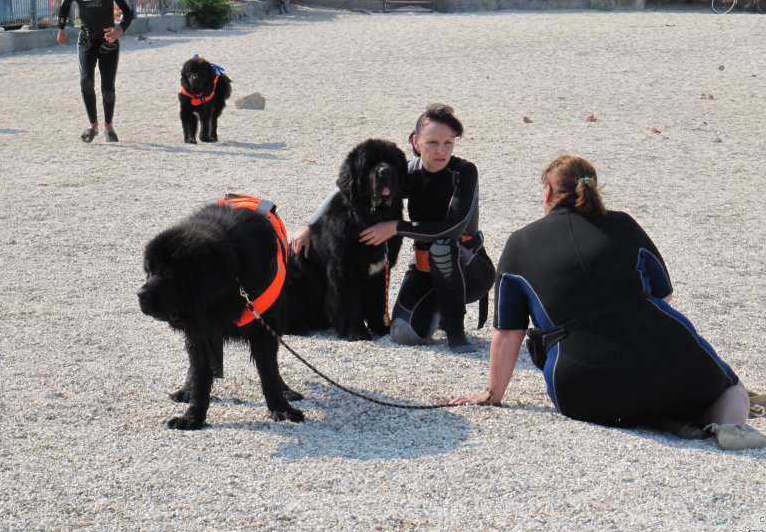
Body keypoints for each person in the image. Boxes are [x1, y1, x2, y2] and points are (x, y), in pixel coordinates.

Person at [450, 155, 766, 450]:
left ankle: (666, 419)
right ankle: (728, 426)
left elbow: (508, 333)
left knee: (633, 401)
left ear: (547, 193)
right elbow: (663, 295)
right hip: (664, 363)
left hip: (580, 391)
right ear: (593, 189)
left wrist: (493, 394)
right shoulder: (623, 224)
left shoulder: (519, 243)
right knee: (730, 388)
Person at [293, 104, 496, 353]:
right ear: (416, 142)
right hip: (425, 268)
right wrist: (309, 226)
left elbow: (451, 229)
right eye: (432, 142)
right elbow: (343, 187)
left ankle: (455, 330)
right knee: (403, 334)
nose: (441, 151)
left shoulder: (464, 172)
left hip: (469, 269)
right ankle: (436, 308)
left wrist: (396, 227)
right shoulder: (407, 172)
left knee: (443, 248)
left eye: (448, 143)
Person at [56, 0, 134, 143]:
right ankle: (93, 126)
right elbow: (64, 8)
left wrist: (119, 29)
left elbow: (128, 13)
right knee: (86, 82)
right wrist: (61, 29)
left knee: (108, 87)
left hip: (108, 41)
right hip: (87, 42)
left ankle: (109, 127)